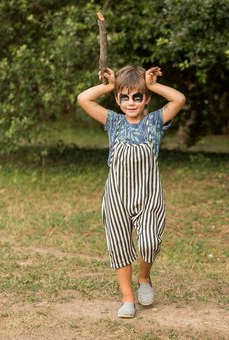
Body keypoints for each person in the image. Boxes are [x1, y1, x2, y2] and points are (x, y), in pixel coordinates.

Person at [77, 64, 185, 318]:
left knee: (149, 243)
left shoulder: (154, 122)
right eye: (124, 97)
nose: (131, 102)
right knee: (120, 245)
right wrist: (109, 85)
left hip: (148, 197)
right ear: (117, 99)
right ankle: (128, 299)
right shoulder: (113, 122)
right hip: (116, 196)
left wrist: (153, 84)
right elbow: (83, 98)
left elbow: (178, 98)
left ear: (146, 98)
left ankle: (144, 277)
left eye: (137, 96)